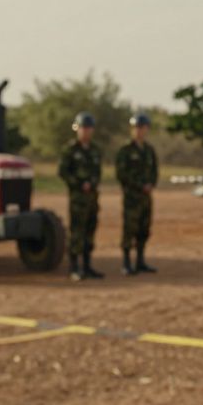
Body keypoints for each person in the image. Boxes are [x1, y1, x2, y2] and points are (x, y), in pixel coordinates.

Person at [57, 111, 104, 281]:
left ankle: (87, 266)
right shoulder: (70, 150)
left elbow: (98, 172)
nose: (86, 131)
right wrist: (79, 183)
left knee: (90, 232)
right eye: (83, 127)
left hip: (92, 198)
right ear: (77, 129)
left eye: (89, 128)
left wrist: (91, 183)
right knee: (77, 232)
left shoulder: (95, 150)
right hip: (78, 199)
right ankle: (74, 268)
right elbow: (62, 172)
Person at [115, 113, 159, 276]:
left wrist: (151, 185)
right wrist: (139, 186)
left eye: (142, 127)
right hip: (132, 197)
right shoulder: (125, 150)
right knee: (129, 229)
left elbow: (155, 171)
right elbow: (121, 174)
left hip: (146, 197)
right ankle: (126, 263)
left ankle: (140, 261)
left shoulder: (149, 150)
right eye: (137, 128)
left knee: (144, 229)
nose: (140, 131)